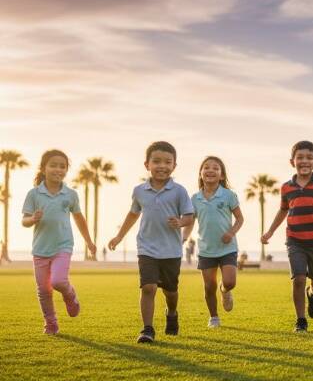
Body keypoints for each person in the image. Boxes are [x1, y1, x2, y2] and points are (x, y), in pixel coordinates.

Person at [108, 141, 194, 343]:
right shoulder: (139, 191)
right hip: (146, 248)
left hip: (171, 250)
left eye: (167, 162)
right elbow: (133, 214)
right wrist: (119, 236)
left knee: (170, 292)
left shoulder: (179, 191)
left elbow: (190, 217)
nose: (162, 166)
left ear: (174, 165)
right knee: (148, 287)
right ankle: (147, 329)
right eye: (156, 161)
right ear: (147, 164)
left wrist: (180, 222)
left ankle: (171, 313)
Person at [262, 141, 313, 333]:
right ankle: (301, 320)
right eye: (300, 157)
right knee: (298, 278)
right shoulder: (286, 188)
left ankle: (312, 295)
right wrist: (270, 231)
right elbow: (282, 211)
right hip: (295, 241)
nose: (304, 161)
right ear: (292, 161)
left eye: (309, 157)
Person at [22, 150, 97, 334]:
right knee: (44, 291)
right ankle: (51, 323)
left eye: (62, 166)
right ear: (43, 168)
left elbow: (79, 219)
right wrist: (32, 219)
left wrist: (88, 241)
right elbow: (24, 221)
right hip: (40, 249)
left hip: (63, 246)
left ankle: (70, 296)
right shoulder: (34, 194)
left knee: (58, 281)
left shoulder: (70, 195)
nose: (58, 169)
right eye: (53, 165)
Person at [182, 156, 244, 328]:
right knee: (209, 286)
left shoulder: (229, 195)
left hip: (227, 247)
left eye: (215, 168)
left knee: (230, 282)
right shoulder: (194, 198)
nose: (210, 170)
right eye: (206, 167)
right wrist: (183, 238)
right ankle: (214, 318)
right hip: (206, 249)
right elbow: (189, 222)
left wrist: (231, 232)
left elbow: (240, 219)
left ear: (221, 175)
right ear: (201, 173)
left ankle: (225, 292)